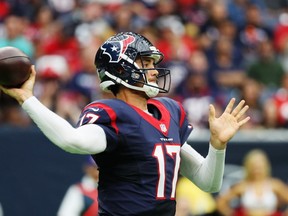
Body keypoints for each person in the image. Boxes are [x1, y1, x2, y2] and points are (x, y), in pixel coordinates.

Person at [0, 31, 250, 216]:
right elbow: (71, 140)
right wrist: (27, 99)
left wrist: (217, 146)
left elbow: (209, 183)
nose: (154, 71)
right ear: (120, 69)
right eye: (146, 63)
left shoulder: (170, 111)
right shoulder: (113, 113)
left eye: (153, 64)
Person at [216, 149, 288, 216]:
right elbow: (221, 202)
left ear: (266, 167)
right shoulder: (243, 186)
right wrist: (231, 213)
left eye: (259, 167)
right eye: (254, 167)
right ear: (249, 167)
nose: (257, 170)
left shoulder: (275, 185)